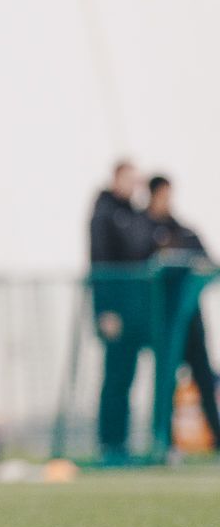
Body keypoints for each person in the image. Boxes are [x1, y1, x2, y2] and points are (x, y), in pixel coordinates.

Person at [143, 175, 220, 451]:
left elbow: (208, 262)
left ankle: (217, 436)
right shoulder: (142, 231)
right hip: (162, 322)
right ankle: (163, 441)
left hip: (190, 321)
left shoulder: (184, 232)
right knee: (166, 382)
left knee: (203, 378)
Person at [88, 161, 151, 462]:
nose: (132, 185)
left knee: (127, 377)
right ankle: (109, 443)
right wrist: (106, 311)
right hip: (115, 313)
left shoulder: (135, 215)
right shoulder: (104, 214)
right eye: (127, 179)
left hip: (135, 311)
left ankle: (122, 442)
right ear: (115, 179)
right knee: (114, 378)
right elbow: (100, 261)